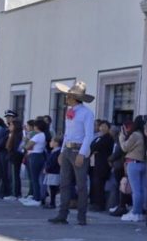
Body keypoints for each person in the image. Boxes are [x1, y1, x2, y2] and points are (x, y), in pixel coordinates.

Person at [48, 81, 96, 225]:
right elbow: (67, 134)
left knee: (81, 185)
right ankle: (62, 214)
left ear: (75, 98)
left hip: (78, 149)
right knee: (64, 183)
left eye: (68, 96)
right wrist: (62, 151)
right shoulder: (70, 111)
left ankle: (81, 216)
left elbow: (89, 135)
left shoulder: (87, 113)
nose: (66, 98)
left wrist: (82, 153)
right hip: (68, 149)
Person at [118, 117, 147, 222]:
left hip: (133, 163)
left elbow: (124, 147)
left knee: (136, 191)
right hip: (143, 163)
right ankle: (141, 211)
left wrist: (122, 136)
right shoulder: (145, 135)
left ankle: (136, 212)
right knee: (142, 189)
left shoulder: (135, 135)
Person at [22, 118, 49, 206]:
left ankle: (36, 198)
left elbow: (27, 146)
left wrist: (26, 142)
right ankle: (35, 197)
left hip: (35, 156)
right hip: (39, 155)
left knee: (35, 179)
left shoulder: (38, 136)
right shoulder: (43, 135)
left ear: (37, 127)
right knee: (36, 178)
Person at [89, 120, 114, 212]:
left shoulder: (108, 138)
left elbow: (99, 147)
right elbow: (92, 147)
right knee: (95, 183)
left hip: (103, 164)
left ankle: (99, 204)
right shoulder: (98, 137)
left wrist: (96, 149)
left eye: (105, 126)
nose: (102, 128)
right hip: (94, 163)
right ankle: (94, 201)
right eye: (101, 126)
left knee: (100, 184)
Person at [3, 119, 24, 200]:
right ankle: (15, 193)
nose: (9, 126)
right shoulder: (13, 134)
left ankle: (15, 194)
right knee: (13, 175)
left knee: (14, 175)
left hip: (14, 156)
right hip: (14, 156)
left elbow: (13, 147)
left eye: (11, 125)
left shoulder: (17, 135)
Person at [42, 136, 62, 209]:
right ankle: (52, 202)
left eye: (52, 141)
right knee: (51, 188)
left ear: (56, 143)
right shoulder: (53, 151)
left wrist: (47, 169)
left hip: (54, 172)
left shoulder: (57, 152)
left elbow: (53, 162)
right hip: (51, 172)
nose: (50, 143)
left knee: (53, 188)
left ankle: (52, 203)